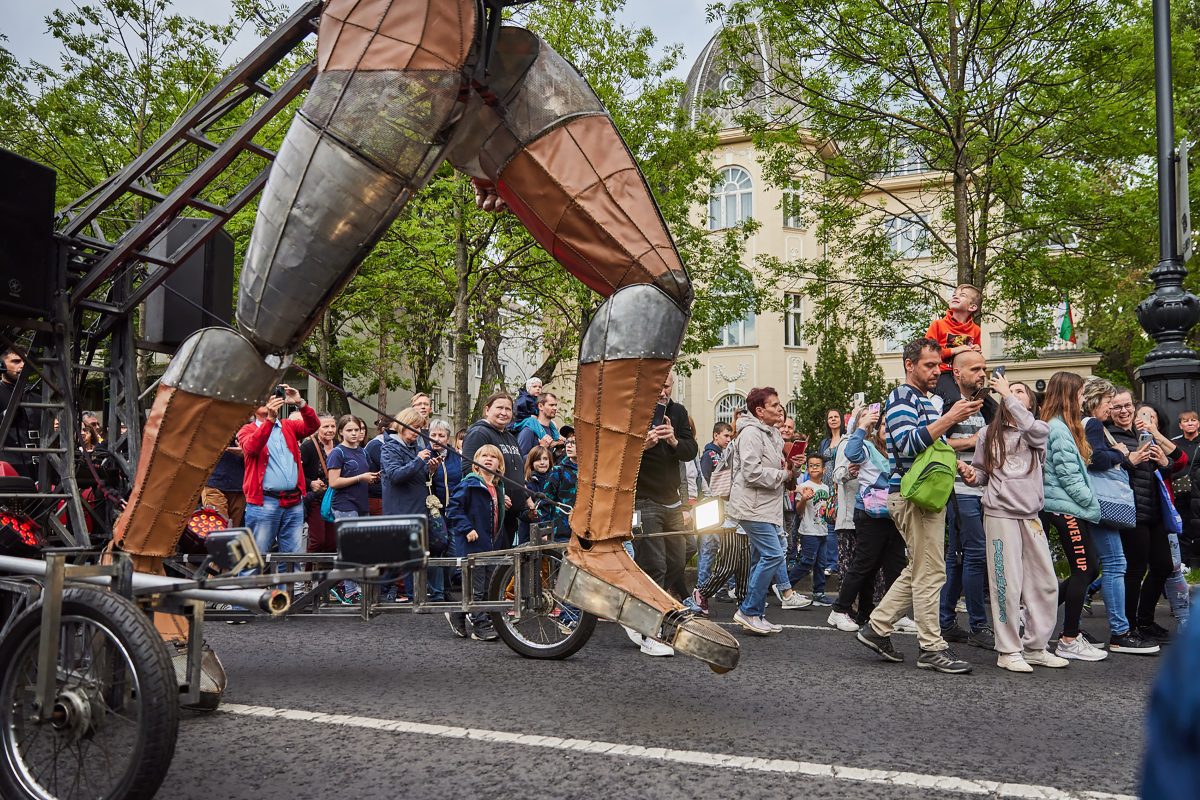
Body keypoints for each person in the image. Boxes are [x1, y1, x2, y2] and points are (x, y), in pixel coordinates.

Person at [109, 0, 737, 673]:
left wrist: (482, 147)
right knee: (260, 344)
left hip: (496, 60)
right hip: (393, 44)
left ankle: (599, 549)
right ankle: (135, 561)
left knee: (655, 286)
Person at [856, 337, 981, 674]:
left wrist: (961, 467)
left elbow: (935, 449)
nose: (935, 372)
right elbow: (909, 443)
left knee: (919, 569)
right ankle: (931, 647)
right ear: (909, 365)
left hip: (925, 494)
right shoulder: (900, 397)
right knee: (930, 572)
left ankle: (876, 627)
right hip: (913, 495)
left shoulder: (925, 400)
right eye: (928, 365)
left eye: (938, 365)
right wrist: (950, 415)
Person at [968, 369, 1069, 672]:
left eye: (1020, 391)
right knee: (1006, 584)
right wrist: (973, 476)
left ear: (1030, 402)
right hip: (1000, 514)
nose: (1013, 392)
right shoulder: (988, 434)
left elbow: (1036, 432)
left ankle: (1036, 646)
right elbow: (982, 472)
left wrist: (1008, 395)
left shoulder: (1037, 429)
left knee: (1046, 584)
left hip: (1030, 515)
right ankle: (1009, 650)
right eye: (1011, 390)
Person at [1081, 379, 1160, 656]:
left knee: (1090, 569)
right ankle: (1120, 633)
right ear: (1096, 401)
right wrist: (1120, 453)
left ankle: (1069, 628)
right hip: (1102, 503)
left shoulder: (1090, 424)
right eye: (1109, 402)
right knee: (1114, 564)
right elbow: (1094, 459)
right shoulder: (1092, 423)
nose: (1112, 408)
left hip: (1095, 502)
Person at [1037, 372, 1105, 661]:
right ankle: (1068, 638)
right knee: (1084, 569)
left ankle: (1037, 615)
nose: (1082, 399)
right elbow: (1068, 476)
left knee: (1089, 568)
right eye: (1079, 394)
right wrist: (1092, 502)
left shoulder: (1062, 426)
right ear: (1068, 395)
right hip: (1066, 509)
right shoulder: (1058, 429)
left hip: (1067, 508)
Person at [1107, 389, 1183, 645]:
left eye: (1127, 405)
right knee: (1134, 569)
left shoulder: (1142, 434)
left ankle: (1145, 620)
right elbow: (1103, 467)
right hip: (1132, 511)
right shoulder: (1110, 436)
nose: (1124, 411)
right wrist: (1129, 459)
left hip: (1156, 511)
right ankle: (1127, 628)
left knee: (1162, 565)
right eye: (1117, 407)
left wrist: (1164, 461)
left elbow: (1176, 463)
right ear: (1109, 411)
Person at [728, 387, 802, 635]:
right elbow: (751, 472)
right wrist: (784, 474)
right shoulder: (750, 433)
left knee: (762, 558)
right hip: (751, 507)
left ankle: (756, 613)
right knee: (773, 554)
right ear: (759, 411)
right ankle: (748, 611)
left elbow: (782, 468)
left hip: (765, 508)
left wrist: (793, 465)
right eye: (774, 405)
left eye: (779, 404)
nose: (779, 409)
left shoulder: (771, 434)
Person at [828, 405, 906, 631]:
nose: (884, 427)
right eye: (880, 424)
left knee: (894, 565)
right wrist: (862, 426)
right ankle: (839, 610)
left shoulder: (893, 450)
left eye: (887, 425)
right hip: (870, 514)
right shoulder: (866, 446)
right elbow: (851, 454)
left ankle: (892, 613)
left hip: (893, 513)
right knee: (863, 564)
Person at [939, 350, 994, 650]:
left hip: (981, 489)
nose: (982, 373)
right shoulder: (949, 404)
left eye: (983, 368)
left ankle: (946, 622)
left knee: (958, 558)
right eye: (975, 369)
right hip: (959, 489)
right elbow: (935, 440)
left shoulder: (984, 405)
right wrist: (976, 441)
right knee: (975, 555)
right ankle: (978, 625)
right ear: (957, 373)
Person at [237, 385, 319, 578]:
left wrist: (300, 403)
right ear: (252, 408)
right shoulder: (246, 430)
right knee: (254, 557)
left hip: (294, 502)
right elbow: (252, 448)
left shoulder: (288, 426)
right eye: (262, 399)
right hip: (265, 502)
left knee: (290, 559)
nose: (268, 401)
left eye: (271, 397)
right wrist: (270, 420)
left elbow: (313, 426)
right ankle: (242, 606)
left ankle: (283, 602)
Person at [633, 372, 697, 610]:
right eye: (657, 387)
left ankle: (651, 606)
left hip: (672, 501)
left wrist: (673, 441)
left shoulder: (678, 411)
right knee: (654, 563)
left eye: (666, 387)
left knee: (677, 560)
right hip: (644, 500)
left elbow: (690, 450)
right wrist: (643, 446)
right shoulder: (636, 412)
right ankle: (650, 619)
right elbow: (619, 454)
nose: (662, 392)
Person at [382, 407, 444, 602]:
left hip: (418, 508)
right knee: (403, 554)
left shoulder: (416, 447)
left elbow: (419, 475)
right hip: (401, 510)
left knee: (417, 551)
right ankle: (406, 594)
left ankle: (416, 593)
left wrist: (430, 469)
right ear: (402, 425)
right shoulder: (389, 447)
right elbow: (396, 475)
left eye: (419, 429)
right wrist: (419, 461)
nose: (416, 433)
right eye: (414, 428)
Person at [447, 444, 506, 642]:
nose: (488, 459)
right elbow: (453, 509)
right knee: (477, 588)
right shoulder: (470, 484)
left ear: (500, 465)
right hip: (473, 544)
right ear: (476, 463)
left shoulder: (496, 488)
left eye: (493, 457)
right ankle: (480, 626)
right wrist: (467, 528)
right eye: (483, 456)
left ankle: (458, 613)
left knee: (488, 585)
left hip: (489, 545)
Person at [462, 392, 525, 547]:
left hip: (511, 518)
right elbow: (468, 469)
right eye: (499, 408)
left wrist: (527, 498)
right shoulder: (479, 433)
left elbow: (518, 473)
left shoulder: (510, 437)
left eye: (508, 409)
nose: (504, 412)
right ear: (487, 410)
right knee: (491, 565)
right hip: (490, 516)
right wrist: (498, 494)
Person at [925, 284, 983, 410]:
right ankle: (943, 429)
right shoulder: (938, 325)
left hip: (963, 375)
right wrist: (955, 350)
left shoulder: (975, 330)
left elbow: (977, 359)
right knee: (954, 400)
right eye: (954, 295)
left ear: (972, 307)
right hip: (941, 374)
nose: (956, 297)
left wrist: (977, 353)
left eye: (962, 295)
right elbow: (927, 354)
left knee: (988, 405)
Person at [794, 453, 837, 605]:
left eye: (817, 465)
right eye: (811, 465)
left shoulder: (825, 487)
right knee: (806, 562)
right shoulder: (804, 487)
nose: (813, 468)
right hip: (809, 531)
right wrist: (804, 499)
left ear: (824, 470)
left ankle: (819, 593)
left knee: (821, 564)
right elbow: (798, 511)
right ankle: (785, 587)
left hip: (823, 530)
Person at [300, 413, 337, 556]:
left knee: (332, 542)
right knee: (318, 540)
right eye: (325, 426)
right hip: (316, 499)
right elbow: (296, 473)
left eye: (332, 426)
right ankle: (308, 575)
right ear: (317, 428)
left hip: (335, 499)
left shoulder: (339, 446)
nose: (330, 430)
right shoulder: (308, 447)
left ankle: (327, 577)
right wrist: (310, 483)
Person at [0, 347, 38, 479]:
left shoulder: (37, 397)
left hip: (40, 468)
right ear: (2, 366)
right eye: (16, 361)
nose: (22, 365)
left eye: (25, 361)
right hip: (8, 467)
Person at [817, 408, 845, 573]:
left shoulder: (846, 438)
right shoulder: (824, 443)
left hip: (840, 485)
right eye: (830, 417)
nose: (833, 419)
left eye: (836, 416)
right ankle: (831, 562)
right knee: (828, 523)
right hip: (826, 487)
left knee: (840, 524)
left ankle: (839, 561)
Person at [201, 436, 246, 528]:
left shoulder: (248, 426)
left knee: (232, 532)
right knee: (217, 528)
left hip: (239, 485)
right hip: (214, 483)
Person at [542, 434, 578, 543]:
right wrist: (545, 529)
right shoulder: (558, 470)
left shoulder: (592, 473)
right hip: (562, 533)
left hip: (587, 533)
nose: (569, 446)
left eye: (574, 443)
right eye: (567, 442)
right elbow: (545, 501)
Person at [521, 445, 554, 541]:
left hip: (551, 531)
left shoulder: (554, 480)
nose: (542, 462)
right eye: (538, 459)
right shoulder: (527, 483)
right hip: (531, 534)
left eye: (545, 459)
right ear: (531, 462)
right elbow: (523, 513)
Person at [515, 391, 560, 457]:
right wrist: (541, 447)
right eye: (551, 405)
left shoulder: (553, 431)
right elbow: (519, 459)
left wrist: (558, 452)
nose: (555, 408)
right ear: (540, 406)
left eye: (556, 405)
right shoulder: (528, 431)